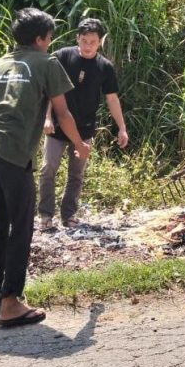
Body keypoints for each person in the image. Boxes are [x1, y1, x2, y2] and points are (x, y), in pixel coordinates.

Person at [0, 8, 91, 326]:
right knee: (22, 225)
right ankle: (10, 303)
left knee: (0, 220)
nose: (50, 43)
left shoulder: (0, 63)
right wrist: (80, 145)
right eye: (49, 37)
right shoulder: (47, 62)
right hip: (11, 152)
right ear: (40, 39)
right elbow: (63, 114)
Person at [38, 17, 128, 229]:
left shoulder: (104, 67)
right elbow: (48, 91)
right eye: (84, 41)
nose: (88, 46)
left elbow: (112, 98)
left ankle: (68, 215)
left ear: (100, 42)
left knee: (76, 174)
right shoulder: (61, 56)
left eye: (93, 42)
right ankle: (45, 215)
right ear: (77, 38)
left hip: (84, 128)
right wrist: (47, 117)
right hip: (57, 126)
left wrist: (122, 127)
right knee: (48, 168)